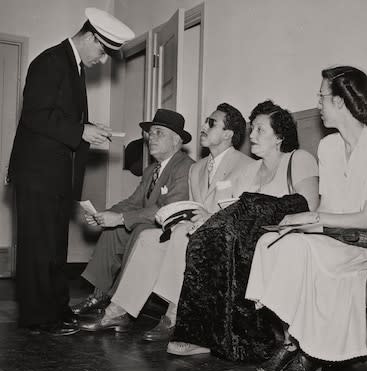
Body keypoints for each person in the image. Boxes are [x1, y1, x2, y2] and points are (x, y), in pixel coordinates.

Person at [245, 66, 367, 371]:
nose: (317, 103)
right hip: (335, 235)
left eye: (321, 96)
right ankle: (293, 338)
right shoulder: (328, 147)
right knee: (272, 242)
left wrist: (312, 218)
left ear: (341, 102)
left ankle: (307, 348)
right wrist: (303, 225)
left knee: (307, 253)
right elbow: (330, 208)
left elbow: (366, 220)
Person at [7, 8, 134, 336]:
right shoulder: (51, 62)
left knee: (53, 248)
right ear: (91, 37)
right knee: (38, 248)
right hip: (37, 176)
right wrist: (81, 131)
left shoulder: (71, 65)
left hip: (54, 177)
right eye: (103, 51)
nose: (104, 61)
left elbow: (57, 117)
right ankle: (37, 318)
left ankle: (56, 309)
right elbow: (35, 116)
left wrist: (88, 128)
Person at [77, 103, 253, 335]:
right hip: (189, 228)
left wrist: (121, 218)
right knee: (150, 236)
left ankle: (172, 314)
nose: (203, 126)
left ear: (228, 134)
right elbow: (137, 201)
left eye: (211, 123)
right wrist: (107, 215)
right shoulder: (198, 168)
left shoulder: (246, 165)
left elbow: (243, 210)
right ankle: (116, 309)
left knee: (153, 232)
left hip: (218, 234)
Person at [167, 100, 320, 359]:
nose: (252, 136)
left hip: (287, 234)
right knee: (204, 238)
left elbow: (309, 209)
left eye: (260, 130)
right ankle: (204, 334)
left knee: (227, 240)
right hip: (249, 237)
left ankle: (245, 338)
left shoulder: (298, 159)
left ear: (279, 137)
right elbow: (233, 211)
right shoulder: (249, 170)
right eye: (252, 129)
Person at [71, 109, 195, 325]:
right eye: (150, 133)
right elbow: (132, 202)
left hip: (171, 229)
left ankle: (121, 307)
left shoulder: (185, 167)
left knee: (138, 230)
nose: (150, 138)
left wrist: (120, 219)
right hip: (151, 223)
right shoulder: (151, 171)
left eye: (158, 133)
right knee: (115, 230)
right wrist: (106, 215)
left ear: (176, 141)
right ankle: (99, 295)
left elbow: (167, 208)